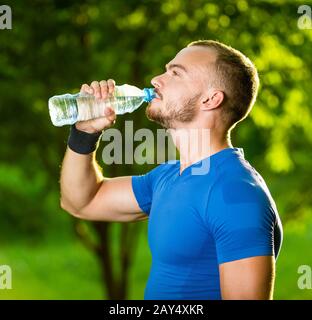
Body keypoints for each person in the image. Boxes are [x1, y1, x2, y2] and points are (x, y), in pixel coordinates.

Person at [60, 40, 283, 300]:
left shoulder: (235, 195)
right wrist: (84, 133)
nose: (156, 79)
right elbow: (80, 202)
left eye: (176, 73)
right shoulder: (167, 178)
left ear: (211, 99)